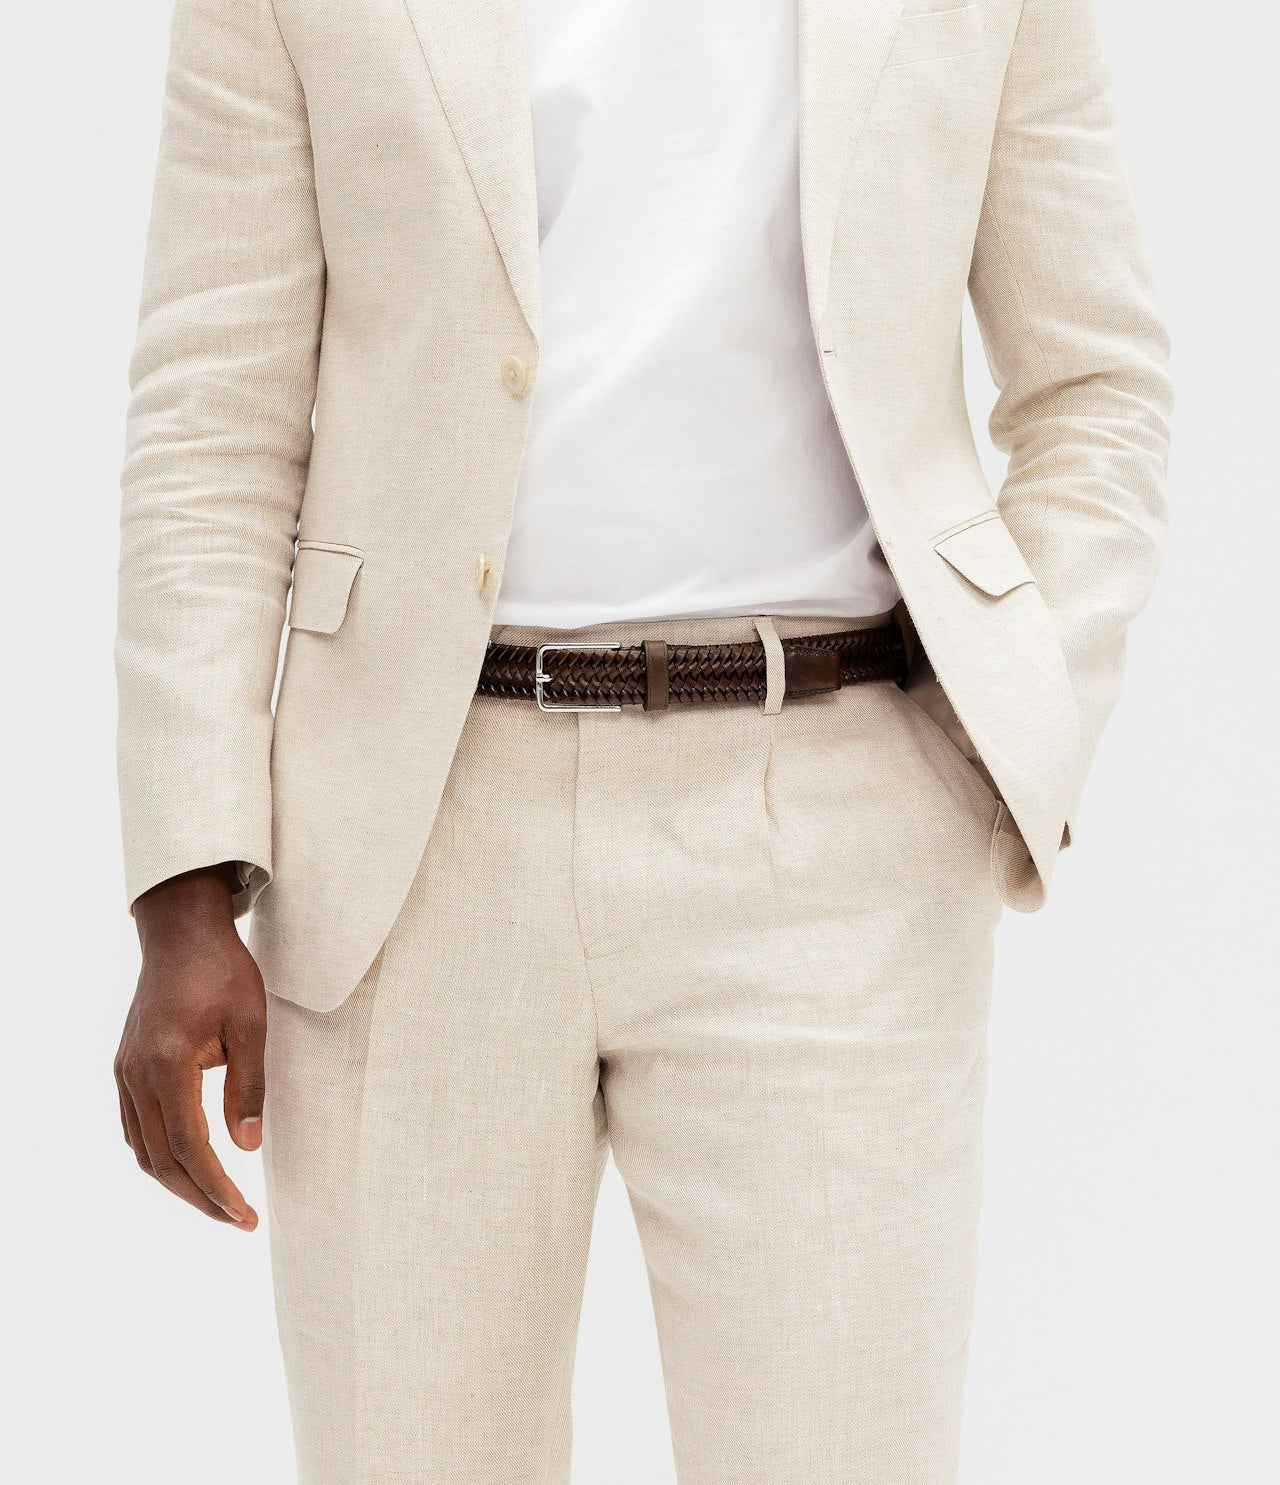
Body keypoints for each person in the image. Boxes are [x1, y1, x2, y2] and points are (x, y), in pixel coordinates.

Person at [112, 0, 1173, 1480]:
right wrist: (185, 884)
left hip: (835, 827)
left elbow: (1096, 383)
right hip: (410, 842)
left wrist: (1011, 726)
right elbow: (211, 427)